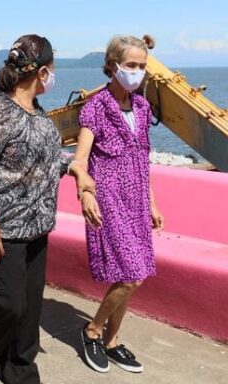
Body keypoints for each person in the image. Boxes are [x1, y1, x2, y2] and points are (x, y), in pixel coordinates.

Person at [0, 35, 96, 384]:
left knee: (29, 308)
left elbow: (46, 160)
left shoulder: (38, 114)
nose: (53, 77)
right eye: (52, 71)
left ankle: (19, 368)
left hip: (36, 227)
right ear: (42, 71)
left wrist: (74, 168)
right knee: (7, 305)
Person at [75, 35, 163, 375]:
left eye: (142, 66)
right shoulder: (95, 108)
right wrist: (86, 194)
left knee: (131, 274)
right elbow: (80, 160)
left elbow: (144, 161)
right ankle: (92, 331)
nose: (137, 72)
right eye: (131, 65)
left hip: (138, 203)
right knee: (133, 275)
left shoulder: (142, 108)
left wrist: (153, 203)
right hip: (109, 201)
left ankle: (111, 341)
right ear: (112, 66)